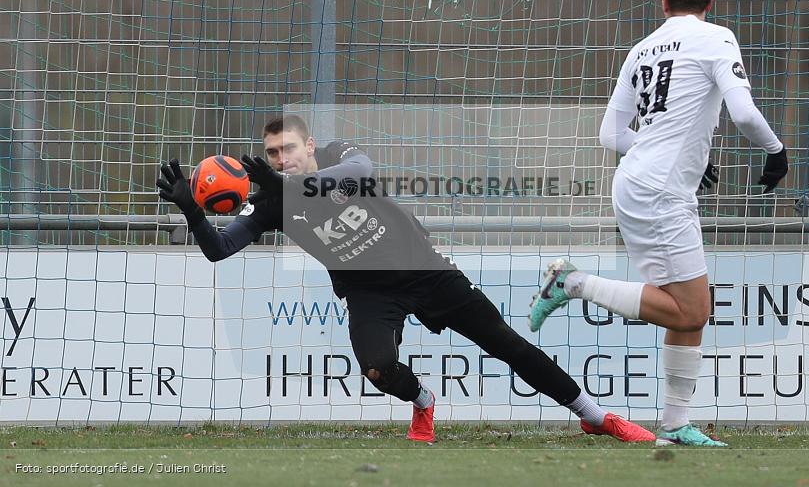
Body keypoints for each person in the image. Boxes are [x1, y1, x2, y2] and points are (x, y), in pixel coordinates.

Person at [157, 114, 656, 443]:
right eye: (271, 154)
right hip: (370, 292)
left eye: (287, 148)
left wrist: (290, 183)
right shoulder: (270, 201)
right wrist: (192, 213)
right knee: (376, 371)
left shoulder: (336, 158)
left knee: (508, 345)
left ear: (308, 145)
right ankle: (423, 400)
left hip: (428, 272)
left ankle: (597, 417)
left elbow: (363, 169)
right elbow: (221, 249)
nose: (280, 159)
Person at [528, 0, 789, 447]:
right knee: (692, 311)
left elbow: (610, 135)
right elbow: (746, 114)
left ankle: (675, 423)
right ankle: (573, 282)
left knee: (685, 309)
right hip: (661, 192)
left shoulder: (641, 49)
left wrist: (668, 153)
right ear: (710, 4)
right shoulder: (717, 38)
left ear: (664, 3)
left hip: (639, 181)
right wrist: (776, 151)